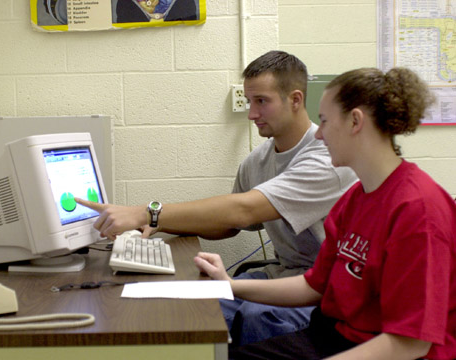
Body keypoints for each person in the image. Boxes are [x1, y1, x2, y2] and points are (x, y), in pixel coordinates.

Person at [76, 50, 357, 346]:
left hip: (323, 287)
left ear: (296, 100)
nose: (251, 114)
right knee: (197, 304)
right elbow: (229, 226)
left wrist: (149, 213)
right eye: (249, 102)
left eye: (262, 101)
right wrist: (163, 224)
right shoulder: (257, 160)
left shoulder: (326, 159)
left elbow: (243, 211)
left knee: (259, 317)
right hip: (283, 274)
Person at [193, 66, 456, 359]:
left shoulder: (418, 210)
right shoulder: (356, 198)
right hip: (332, 336)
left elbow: (410, 343)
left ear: (355, 121)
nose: (319, 135)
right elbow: (313, 286)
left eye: (325, 121)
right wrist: (230, 286)